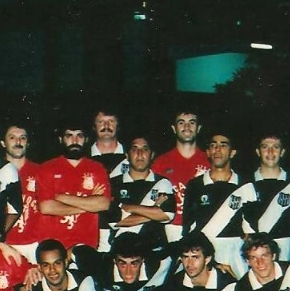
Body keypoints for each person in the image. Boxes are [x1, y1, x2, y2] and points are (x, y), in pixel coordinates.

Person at [180, 132, 249, 276]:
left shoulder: (245, 185)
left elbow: (251, 229)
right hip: (204, 253)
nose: (217, 150)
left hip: (236, 252)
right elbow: (188, 229)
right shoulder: (195, 185)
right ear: (208, 152)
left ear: (232, 152)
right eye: (213, 145)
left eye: (223, 145)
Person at [36, 119, 112, 249]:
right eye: (69, 136)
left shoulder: (97, 169)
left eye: (79, 136)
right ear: (61, 139)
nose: (75, 141)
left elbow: (103, 204)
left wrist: (61, 197)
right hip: (53, 246)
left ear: (86, 139)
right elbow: (46, 207)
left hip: (86, 244)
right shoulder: (47, 168)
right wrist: (88, 204)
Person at [239, 133, 290, 261]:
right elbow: (242, 222)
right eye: (265, 147)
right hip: (255, 248)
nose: (270, 152)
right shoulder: (246, 183)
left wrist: (281, 235)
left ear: (282, 152)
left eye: (275, 147)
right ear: (258, 151)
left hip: (284, 247)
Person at [100, 136, 174, 251]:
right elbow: (114, 221)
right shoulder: (112, 184)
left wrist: (125, 207)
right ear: (127, 155)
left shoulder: (162, 182)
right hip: (122, 252)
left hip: (154, 251)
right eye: (134, 149)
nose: (140, 154)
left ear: (152, 155)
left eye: (145, 149)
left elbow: (167, 215)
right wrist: (153, 210)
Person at [151, 108, 210, 242]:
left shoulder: (209, 161)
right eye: (181, 122)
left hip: (201, 228)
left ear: (199, 128)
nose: (187, 127)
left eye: (192, 122)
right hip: (168, 228)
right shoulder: (160, 163)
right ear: (174, 128)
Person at [3, 121, 45, 262]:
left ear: (28, 143)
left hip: (35, 245)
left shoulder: (41, 172)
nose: (18, 142)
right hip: (4, 244)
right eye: (12, 137)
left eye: (23, 138)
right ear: (3, 143)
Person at [89, 108, 129, 177]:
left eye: (111, 121)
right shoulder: (84, 156)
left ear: (118, 126)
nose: (106, 126)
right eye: (101, 121)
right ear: (94, 127)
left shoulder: (131, 155)